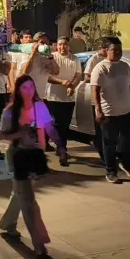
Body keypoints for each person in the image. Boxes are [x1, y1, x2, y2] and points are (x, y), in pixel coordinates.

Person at [0, 75, 53, 259]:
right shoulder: (10, 111)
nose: (29, 90)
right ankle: (39, 243)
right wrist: (19, 133)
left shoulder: (39, 106)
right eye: (24, 87)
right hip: (16, 157)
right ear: (18, 90)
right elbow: (2, 135)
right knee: (29, 201)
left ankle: (8, 224)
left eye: (31, 86)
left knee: (20, 194)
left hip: (34, 157)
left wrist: (60, 147)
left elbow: (49, 128)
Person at [90, 37, 130, 184]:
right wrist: (98, 110)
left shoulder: (125, 66)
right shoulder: (100, 68)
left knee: (128, 143)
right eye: (114, 50)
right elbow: (95, 90)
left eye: (120, 49)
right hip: (109, 114)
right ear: (106, 51)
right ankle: (111, 171)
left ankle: (128, 166)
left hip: (127, 112)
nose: (118, 52)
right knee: (109, 144)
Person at [46, 37, 82, 166]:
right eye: (60, 44)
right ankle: (62, 149)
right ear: (57, 46)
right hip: (53, 97)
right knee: (56, 124)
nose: (62, 47)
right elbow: (47, 76)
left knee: (65, 125)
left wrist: (72, 86)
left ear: (69, 46)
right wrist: (61, 82)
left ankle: (61, 147)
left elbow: (78, 75)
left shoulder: (75, 59)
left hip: (69, 98)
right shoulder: (52, 57)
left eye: (65, 45)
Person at [84, 37, 112, 156]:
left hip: (111, 99)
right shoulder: (94, 59)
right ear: (105, 49)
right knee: (101, 130)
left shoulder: (112, 60)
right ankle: (103, 154)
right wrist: (102, 79)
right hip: (98, 99)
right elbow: (86, 78)